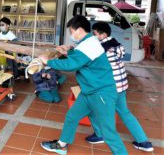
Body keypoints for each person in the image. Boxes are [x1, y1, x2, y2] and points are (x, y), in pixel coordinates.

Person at [38, 15, 127, 155]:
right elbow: (81, 57)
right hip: (89, 92)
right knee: (72, 117)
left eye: (71, 32)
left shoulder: (89, 44)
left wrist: (47, 61)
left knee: (109, 134)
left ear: (79, 30)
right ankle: (62, 145)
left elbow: (71, 65)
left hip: (101, 94)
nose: (71, 35)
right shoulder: (89, 42)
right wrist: (68, 52)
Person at [86, 22, 154, 152]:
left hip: (109, 88)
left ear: (103, 34)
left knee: (92, 108)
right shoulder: (116, 44)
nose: (93, 36)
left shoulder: (102, 49)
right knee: (125, 113)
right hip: (121, 86)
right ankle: (144, 142)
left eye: (94, 34)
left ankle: (100, 135)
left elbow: (91, 64)